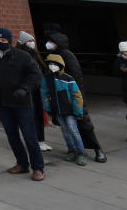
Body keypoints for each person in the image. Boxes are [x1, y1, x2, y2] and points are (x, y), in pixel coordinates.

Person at [0, 28, 45, 181]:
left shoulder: (22, 56)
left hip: (22, 104)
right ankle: (22, 164)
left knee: (30, 137)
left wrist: (25, 88)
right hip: (4, 103)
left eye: (3, 41)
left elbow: (36, 75)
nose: (0, 43)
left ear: (9, 41)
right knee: (12, 135)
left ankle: (38, 168)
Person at [44, 31, 106, 162]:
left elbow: (77, 77)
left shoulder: (67, 55)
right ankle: (74, 149)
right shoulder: (54, 55)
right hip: (59, 98)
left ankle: (97, 149)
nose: (48, 44)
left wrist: (78, 99)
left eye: (51, 41)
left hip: (71, 96)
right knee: (68, 127)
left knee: (84, 124)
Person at [41, 53, 87, 166]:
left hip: (69, 110)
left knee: (73, 130)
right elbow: (44, 94)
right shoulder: (47, 79)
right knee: (65, 131)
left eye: (55, 64)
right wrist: (48, 108)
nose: (52, 66)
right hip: (57, 110)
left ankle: (81, 153)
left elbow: (77, 95)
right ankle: (71, 150)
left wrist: (78, 111)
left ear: (60, 65)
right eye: (50, 64)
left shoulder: (68, 78)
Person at [17, 31, 52, 152]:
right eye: (29, 41)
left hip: (38, 89)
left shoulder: (34, 55)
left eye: (32, 41)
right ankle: (34, 141)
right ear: (23, 43)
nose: (32, 43)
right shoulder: (21, 56)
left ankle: (40, 140)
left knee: (38, 115)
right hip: (28, 90)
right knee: (31, 116)